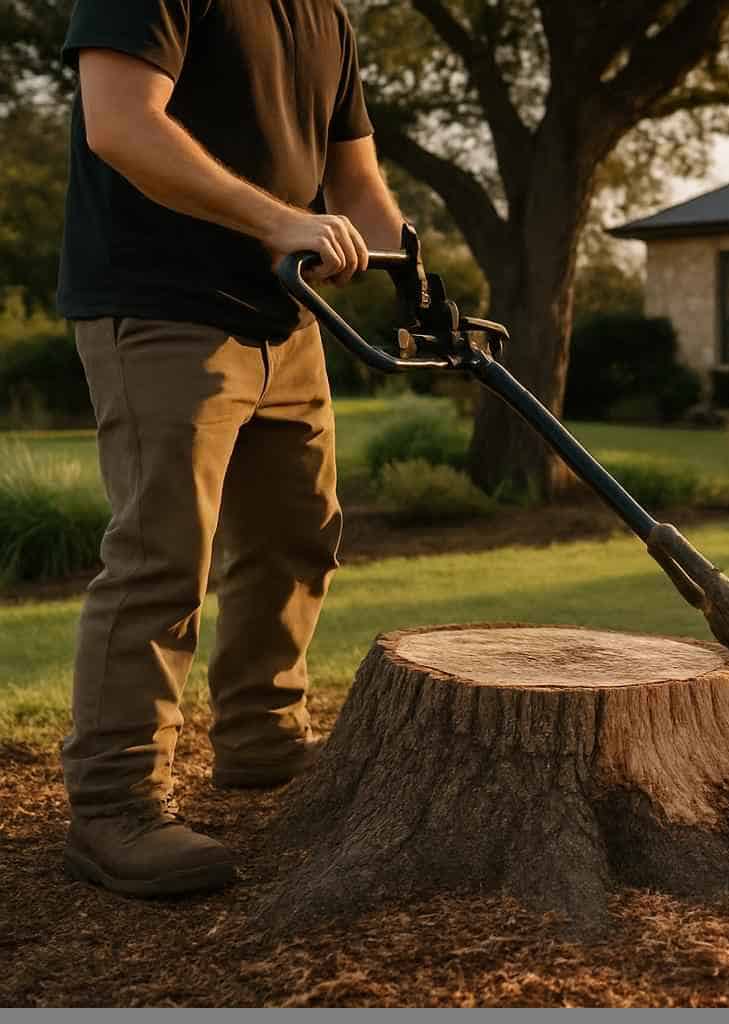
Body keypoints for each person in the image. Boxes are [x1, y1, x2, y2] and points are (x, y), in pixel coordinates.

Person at [56, 1, 406, 897]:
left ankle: (261, 741)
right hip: (160, 303)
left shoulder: (325, 14)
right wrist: (280, 221)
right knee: (162, 556)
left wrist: (416, 280)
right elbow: (121, 122)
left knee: (298, 535)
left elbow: (356, 187)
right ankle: (115, 807)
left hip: (287, 319)